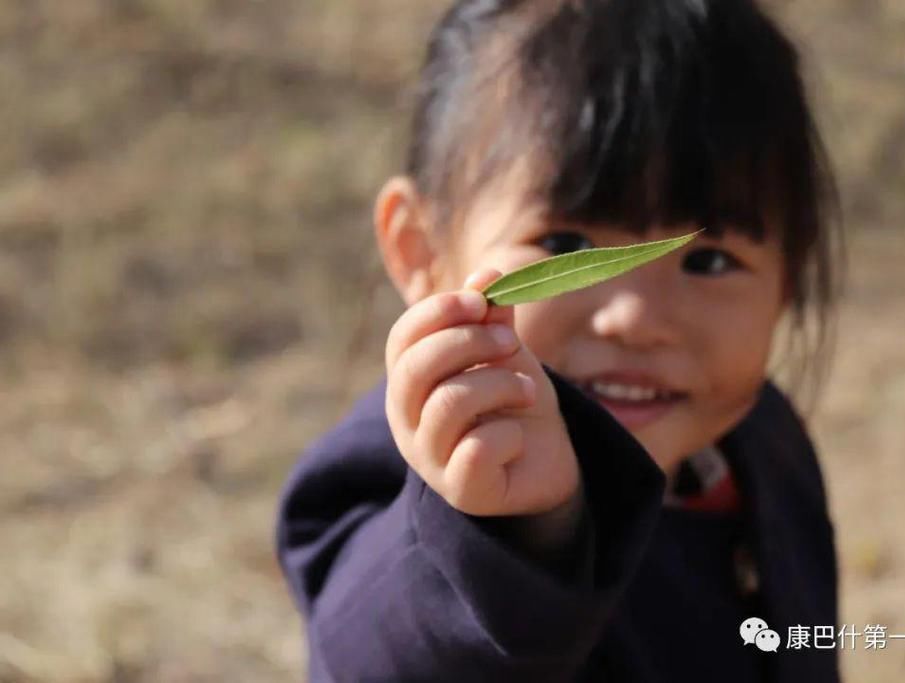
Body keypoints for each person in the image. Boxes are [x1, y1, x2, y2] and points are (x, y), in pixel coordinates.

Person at [276, 0, 843, 680]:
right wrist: (510, 530)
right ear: (420, 249)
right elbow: (378, 657)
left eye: (708, 258)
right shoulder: (386, 480)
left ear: (791, 275)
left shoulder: (764, 450)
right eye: (565, 248)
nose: (635, 318)